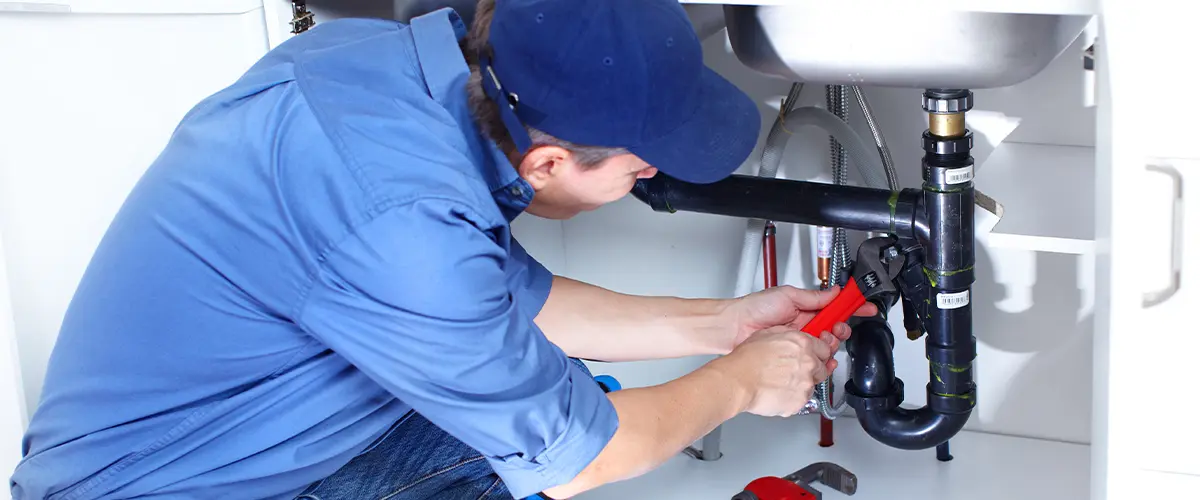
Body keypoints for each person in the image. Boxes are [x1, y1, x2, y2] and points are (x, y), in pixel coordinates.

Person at [11, 1, 873, 499]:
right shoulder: (403, 221)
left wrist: (724, 327)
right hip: (183, 489)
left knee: (541, 414)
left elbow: (509, 303)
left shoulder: (383, 65)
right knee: (558, 436)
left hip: (262, 437)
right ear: (546, 160)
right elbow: (586, 458)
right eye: (640, 170)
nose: (650, 183)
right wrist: (741, 385)